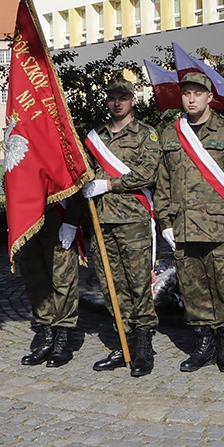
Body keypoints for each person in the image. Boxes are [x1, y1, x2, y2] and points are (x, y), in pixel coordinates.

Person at [155, 72, 224, 373]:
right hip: (184, 228)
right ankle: (203, 345)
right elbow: (163, 182)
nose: (191, 98)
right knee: (192, 290)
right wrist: (165, 222)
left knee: (223, 288)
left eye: (198, 93)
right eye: (186, 93)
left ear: (209, 97)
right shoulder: (171, 134)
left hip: (220, 228)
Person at [81, 76, 161, 377]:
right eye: (113, 97)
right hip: (101, 222)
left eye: (123, 97)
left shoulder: (146, 135)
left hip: (132, 220)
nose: (117, 102)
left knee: (138, 285)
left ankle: (143, 348)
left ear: (133, 101)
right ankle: (123, 343)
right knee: (111, 287)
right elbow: (82, 172)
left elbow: (147, 173)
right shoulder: (95, 138)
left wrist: (108, 183)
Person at [16, 197, 85, 368]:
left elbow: (75, 179)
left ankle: (63, 339)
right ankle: (47, 335)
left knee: (63, 279)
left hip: (58, 217)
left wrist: (71, 220)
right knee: (35, 279)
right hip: (30, 219)